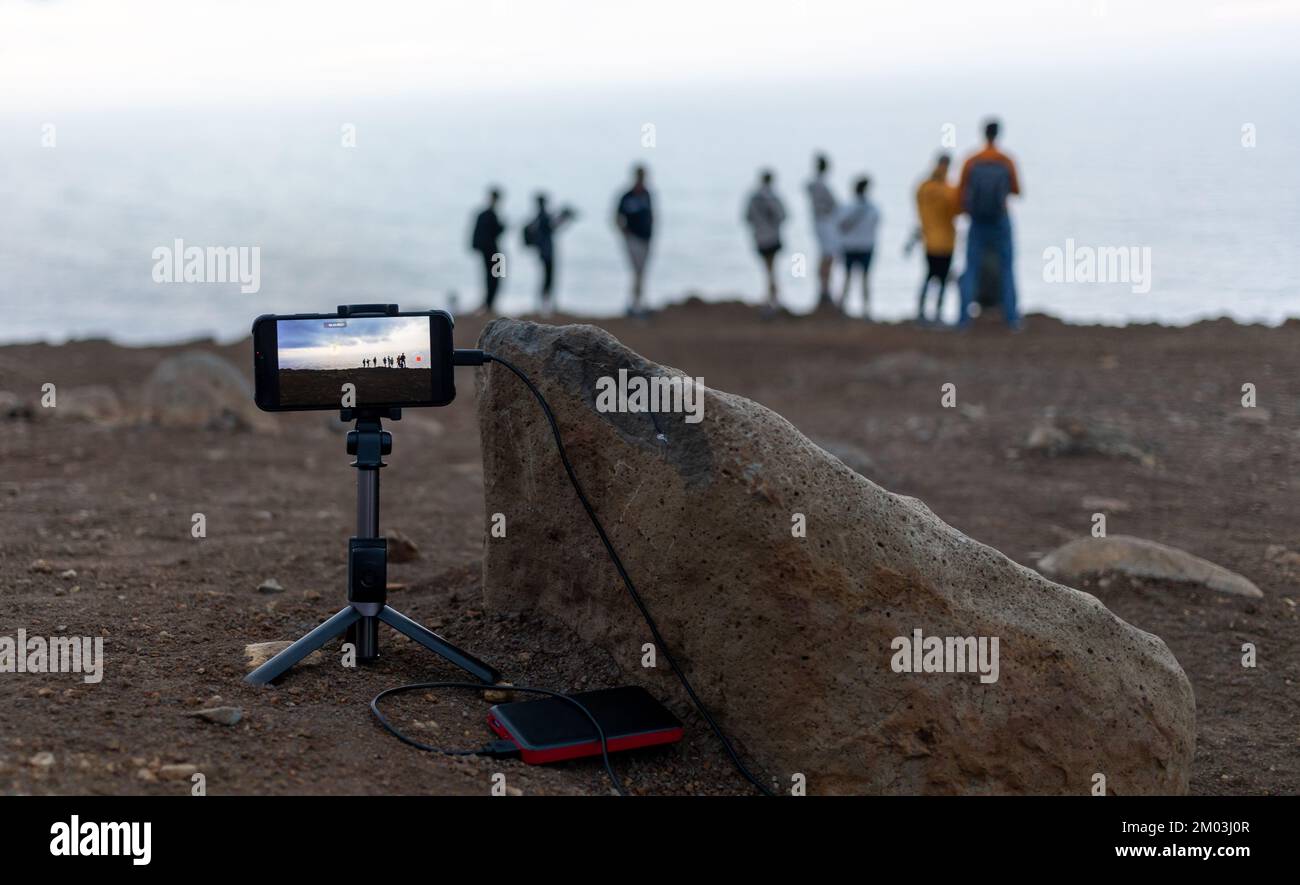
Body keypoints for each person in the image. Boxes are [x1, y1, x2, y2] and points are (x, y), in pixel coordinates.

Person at [958, 118, 1022, 329]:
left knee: (971, 268)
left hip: (977, 221)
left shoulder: (971, 160)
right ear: (998, 134)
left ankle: (963, 319)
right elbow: (1016, 191)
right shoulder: (1006, 160)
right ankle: (1011, 318)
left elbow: (962, 192)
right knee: (1007, 268)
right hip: (1000, 220)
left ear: (983, 133)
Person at [913, 153, 960, 324]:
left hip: (930, 240)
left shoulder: (923, 187)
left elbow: (918, 208)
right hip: (946, 241)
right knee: (942, 279)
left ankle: (921, 311)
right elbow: (958, 209)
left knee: (928, 276)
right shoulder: (948, 189)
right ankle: (937, 313)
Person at [743, 169, 787, 316]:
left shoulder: (753, 197)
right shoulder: (773, 196)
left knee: (768, 270)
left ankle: (771, 300)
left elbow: (747, 218)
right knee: (771, 271)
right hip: (773, 237)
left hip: (759, 237)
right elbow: (783, 216)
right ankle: (772, 301)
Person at [523, 193, 576, 315]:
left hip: (543, 251)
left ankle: (544, 304)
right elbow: (552, 227)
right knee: (548, 278)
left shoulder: (538, 217)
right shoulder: (543, 216)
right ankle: (545, 304)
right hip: (547, 252)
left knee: (546, 277)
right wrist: (565, 219)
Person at [836, 176, 881, 318]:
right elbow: (876, 225)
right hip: (866, 246)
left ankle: (843, 307)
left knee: (847, 277)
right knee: (865, 279)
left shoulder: (847, 207)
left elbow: (839, 226)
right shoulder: (873, 208)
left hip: (849, 246)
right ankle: (866, 310)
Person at [615, 165, 654, 318]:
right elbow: (617, 217)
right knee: (637, 272)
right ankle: (636, 306)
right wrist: (625, 235)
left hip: (646, 239)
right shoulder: (627, 196)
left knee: (641, 272)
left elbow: (652, 215)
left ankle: (637, 303)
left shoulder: (647, 195)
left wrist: (651, 234)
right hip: (633, 239)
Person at [806, 153, 838, 307]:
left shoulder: (814, 184)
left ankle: (824, 290)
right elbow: (834, 205)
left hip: (821, 223)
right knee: (827, 257)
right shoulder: (820, 185)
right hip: (824, 223)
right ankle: (824, 291)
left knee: (826, 257)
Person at [469, 188, 507, 314]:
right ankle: (489, 304)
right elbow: (495, 232)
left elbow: (476, 234)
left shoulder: (485, 214)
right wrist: (503, 227)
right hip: (492, 251)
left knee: (493, 276)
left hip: (490, 251)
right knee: (494, 276)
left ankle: (489, 303)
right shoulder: (490, 214)